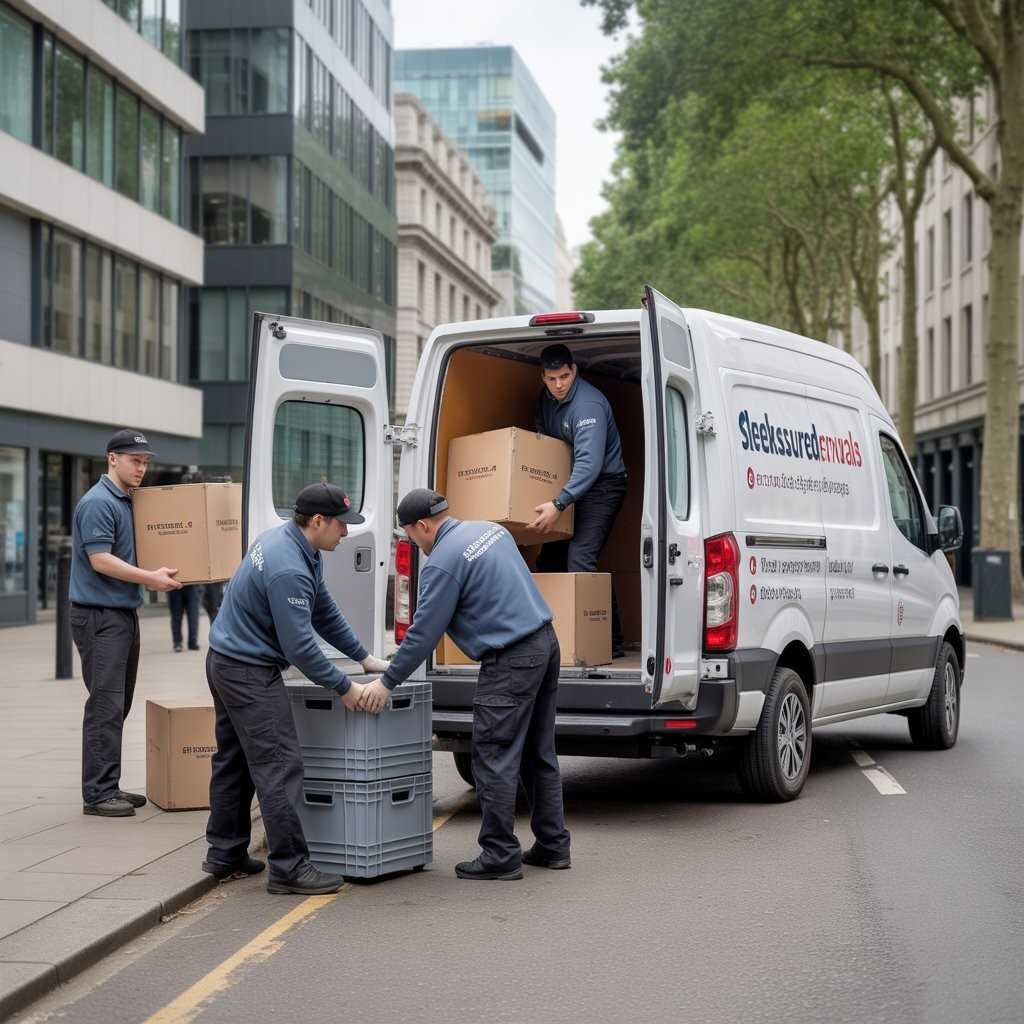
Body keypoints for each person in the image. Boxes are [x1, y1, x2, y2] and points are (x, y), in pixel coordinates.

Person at [360, 488, 571, 881]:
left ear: (422, 526)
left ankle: (499, 855)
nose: (413, 544)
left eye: (410, 536)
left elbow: (423, 634)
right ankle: (553, 844)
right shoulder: (490, 531)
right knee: (538, 752)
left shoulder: (443, 562)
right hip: (545, 642)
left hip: (511, 659)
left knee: (493, 756)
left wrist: (387, 682)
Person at [203, 482, 391, 895]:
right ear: (319, 521)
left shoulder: (295, 545)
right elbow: (299, 645)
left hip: (226, 659)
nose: (346, 533)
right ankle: (289, 867)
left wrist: (363, 657)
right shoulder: (288, 565)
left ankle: (225, 853)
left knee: (235, 761)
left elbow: (323, 609)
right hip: (247, 670)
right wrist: (345, 688)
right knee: (279, 764)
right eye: (342, 525)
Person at [70, 430, 182, 818]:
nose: (142, 468)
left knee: (118, 702)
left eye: (146, 461)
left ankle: (108, 784)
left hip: (120, 613)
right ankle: (98, 794)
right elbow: (100, 560)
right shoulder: (99, 503)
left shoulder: (127, 501)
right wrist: (150, 579)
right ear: (112, 459)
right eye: (135, 461)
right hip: (99, 616)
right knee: (105, 704)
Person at [530, 343, 628, 658]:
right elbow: (548, 449)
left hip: (603, 487)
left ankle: (604, 641)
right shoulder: (544, 402)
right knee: (548, 562)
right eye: (551, 378)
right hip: (569, 489)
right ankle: (554, 639)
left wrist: (558, 504)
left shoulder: (588, 405)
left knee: (580, 560)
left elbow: (589, 464)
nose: (559, 385)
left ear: (574, 371)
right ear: (542, 377)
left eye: (564, 376)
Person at [168, 584, 200, 651]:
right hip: (175, 585)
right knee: (176, 616)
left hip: (191, 585)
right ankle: (177, 642)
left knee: (193, 616)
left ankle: (192, 641)